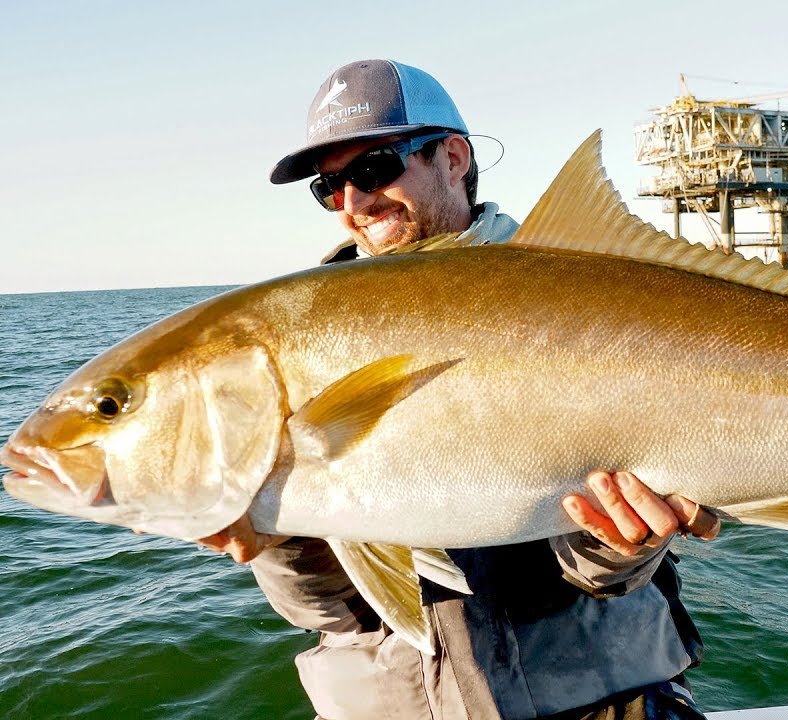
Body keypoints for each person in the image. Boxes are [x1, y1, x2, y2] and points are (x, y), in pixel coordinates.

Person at [198, 59, 720, 720]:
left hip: (606, 700)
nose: (353, 205)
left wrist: (620, 543)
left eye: (373, 169)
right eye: (329, 186)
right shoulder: (293, 345)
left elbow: (601, 573)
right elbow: (333, 614)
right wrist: (282, 536)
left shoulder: (590, 290)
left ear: (452, 157)